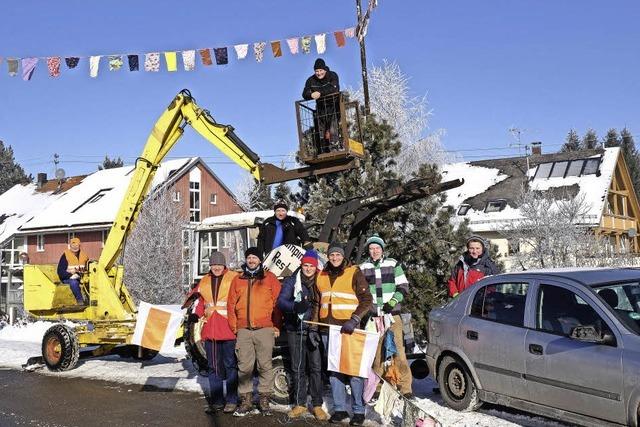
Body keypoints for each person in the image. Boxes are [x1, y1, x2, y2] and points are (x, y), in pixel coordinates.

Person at [314, 243, 372, 426]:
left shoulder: (353, 272)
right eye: (332, 255)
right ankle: (339, 409)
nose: (335, 258)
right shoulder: (321, 274)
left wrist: (355, 319)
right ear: (328, 257)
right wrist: (315, 327)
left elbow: (367, 300)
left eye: (338, 254)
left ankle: (358, 410)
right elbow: (317, 303)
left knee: (353, 370)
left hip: (348, 329)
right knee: (334, 370)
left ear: (343, 256)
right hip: (326, 330)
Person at [227, 247, 282, 417]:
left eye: (254, 257)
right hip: (244, 330)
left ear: (260, 260)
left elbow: (277, 304)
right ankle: (246, 400)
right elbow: (230, 305)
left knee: (265, 365)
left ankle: (264, 398)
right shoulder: (238, 279)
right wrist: (235, 327)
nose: (251, 260)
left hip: (265, 329)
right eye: (249, 257)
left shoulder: (269, 278)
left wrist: (276, 325)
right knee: (244, 367)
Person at [276, 249, 328, 421]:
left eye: (311, 266)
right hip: (295, 329)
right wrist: (294, 306)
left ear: (315, 267)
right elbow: (281, 301)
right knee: (298, 367)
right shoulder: (293, 280)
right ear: (301, 265)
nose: (308, 269)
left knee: (316, 367)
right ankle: (300, 403)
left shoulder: (321, 280)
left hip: (314, 329)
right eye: (305, 265)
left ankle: (318, 404)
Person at [359, 234, 413, 399]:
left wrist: (393, 301)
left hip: (392, 314)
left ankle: (405, 387)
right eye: (371, 248)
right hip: (374, 316)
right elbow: (360, 292)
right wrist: (369, 308)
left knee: (398, 351)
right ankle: (377, 385)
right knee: (376, 353)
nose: (374, 251)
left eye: (377, 248)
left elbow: (403, 286)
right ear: (368, 250)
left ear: (382, 249)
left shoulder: (393, 263)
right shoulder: (363, 267)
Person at [189, 251, 239, 414]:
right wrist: (195, 314)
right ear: (210, 266)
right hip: (211, 330)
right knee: (213, 367)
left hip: (229, 329)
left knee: (230, 365)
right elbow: (199, 300)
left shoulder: (234, 278)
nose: (216, 267)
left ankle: (231, 400)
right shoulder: (204, 280)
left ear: (224, 265)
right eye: (213, 265)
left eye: (219, 264)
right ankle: (217, 401)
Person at [302, 58, 341, 154]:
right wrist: (311, 95)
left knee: (333, 128)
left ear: (325, 70)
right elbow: (304, 93)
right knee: (321, 131)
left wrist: (319, 93)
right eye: (316, 71)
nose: (319, 73)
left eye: (320, 71)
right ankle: (324, 150)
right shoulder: (311, 80)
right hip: (320, 108)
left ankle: (335, 148)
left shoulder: (332, 75)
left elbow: (334, 88)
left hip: (333, 106)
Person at [56, 237, 88, 305]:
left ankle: (90, 300)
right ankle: (80, 301)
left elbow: (88, 269)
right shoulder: (65, 255)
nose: (75, 249)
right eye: (73, 247)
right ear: (70, 246)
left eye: (76, 246)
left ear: (79, 245)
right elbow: (60, 272)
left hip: (81, 278)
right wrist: (71, 275)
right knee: (74, 283)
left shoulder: (84, 256)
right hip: (67, 278)